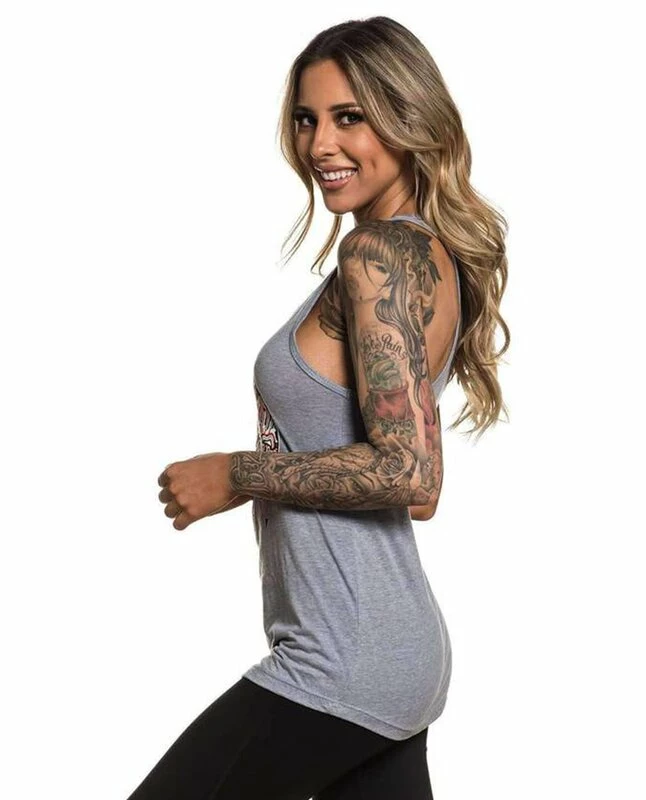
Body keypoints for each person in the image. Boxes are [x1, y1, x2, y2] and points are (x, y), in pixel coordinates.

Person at [129, 15, 509, 800]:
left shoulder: (381, 255)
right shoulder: (422, 253)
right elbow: (417, 485)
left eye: (349, 117)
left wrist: (237, 475)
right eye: (307, 119)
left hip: (344, 661)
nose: (320, 145)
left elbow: (409, 475)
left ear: (407, 117)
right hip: (387, 653)